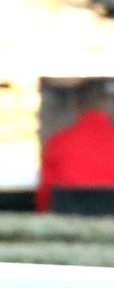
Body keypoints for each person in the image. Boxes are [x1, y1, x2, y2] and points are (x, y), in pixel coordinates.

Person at [35, 79, 114, 212]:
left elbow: (43, 199)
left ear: (77, 105)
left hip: (67, 226)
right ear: (108, 104)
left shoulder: (57, 143)